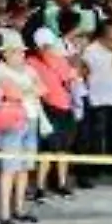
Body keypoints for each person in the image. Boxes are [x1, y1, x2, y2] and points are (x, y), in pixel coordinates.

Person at [0, 30, 43, 224]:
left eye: (20, 51)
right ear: (5, 53)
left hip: (31, 118)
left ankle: (19, 208)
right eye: (13, 51)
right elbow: (13, 93)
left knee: (24, 167)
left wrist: (26, 92)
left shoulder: (28, 69)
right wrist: (29, 91)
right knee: (9, 168)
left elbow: (43, 89)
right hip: (12, 121)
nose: (18, 55)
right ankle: (5, 213)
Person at [27, 25, 82, 200]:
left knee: (63, 149)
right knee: (46, 150)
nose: (48, 48)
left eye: (49, 45)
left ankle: (62, 183)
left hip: (65, 107)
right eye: (44, 45)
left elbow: (72, 77)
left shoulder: (60, 60)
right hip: (46, 108)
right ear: (37, 47)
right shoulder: (31, 62)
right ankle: (41, 187)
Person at [82, 21, 112, 186]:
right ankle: (94, 166)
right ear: (105, 32)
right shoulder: (90, 50)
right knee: (96, 134)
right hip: (96, 97)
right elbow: (84, 72)